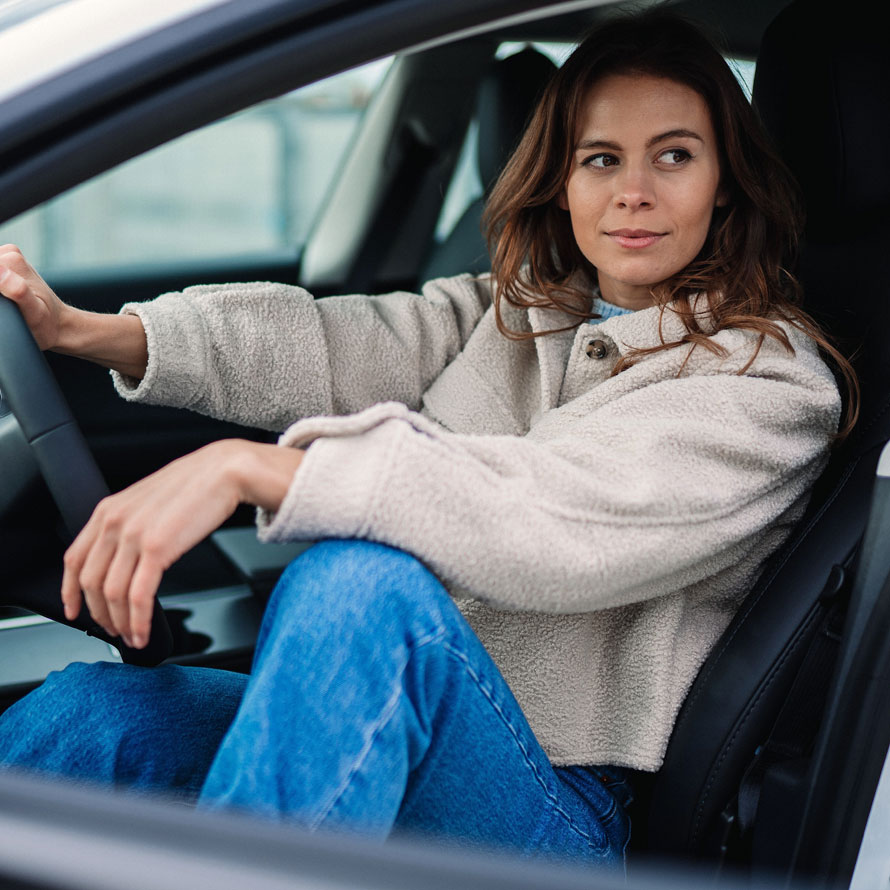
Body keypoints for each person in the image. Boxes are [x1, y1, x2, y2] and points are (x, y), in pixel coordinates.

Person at [0, 9, 856, 868]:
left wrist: (251, 469)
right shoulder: (522, 311)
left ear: (725, 182)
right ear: (562, 181)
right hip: (410, 719)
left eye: (674, 155)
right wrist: (84, 331)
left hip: (562, 812)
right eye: (601, 158)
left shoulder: (769, 384)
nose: (634, 190)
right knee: (94, 718)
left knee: (360, 589)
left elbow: (549, 510)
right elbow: (333, 344)